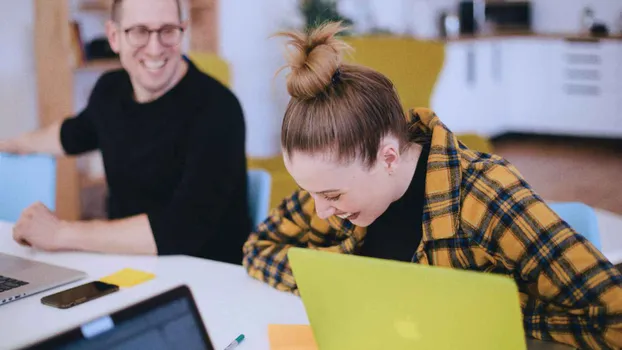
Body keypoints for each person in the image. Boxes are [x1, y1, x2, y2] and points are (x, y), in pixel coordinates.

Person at [242, 21, 622, 348]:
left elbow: (613, 316)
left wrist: (492, 313)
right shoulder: (336, 184)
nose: (320, 209)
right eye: (310, 192)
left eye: (331, 195)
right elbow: (259, 248)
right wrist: (343, 284)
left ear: (387, 157)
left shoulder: (485, 196)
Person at [0, 0, 251, 265]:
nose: (155, 48)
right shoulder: (110, 90)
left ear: (182, 31)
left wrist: (61, 232)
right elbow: (72, 134)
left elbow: (183, 228)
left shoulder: (219, 108)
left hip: (208, 278)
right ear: (114, 37)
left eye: (167, 30)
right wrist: (12, 143)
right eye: (139, 31)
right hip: (126, 265)